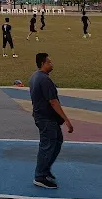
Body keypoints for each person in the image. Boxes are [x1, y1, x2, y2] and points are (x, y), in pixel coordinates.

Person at [30, 53, 73, 189]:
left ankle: (45, 169)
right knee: (47, 146)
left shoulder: (34, 77)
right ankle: (40, 176)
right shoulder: (45, 80)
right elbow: (53, 102)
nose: (51, 64)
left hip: (44, 118)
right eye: (49, 62)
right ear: (43, 63)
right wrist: (66, 120)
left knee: (57, 142)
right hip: (45, 119)